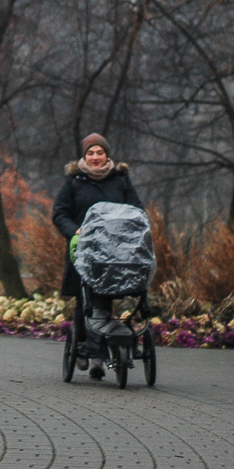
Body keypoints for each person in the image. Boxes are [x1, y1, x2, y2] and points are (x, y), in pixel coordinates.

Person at [51, 133, 142, 379]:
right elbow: (60, 214)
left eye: (99, 152)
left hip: (115, 252)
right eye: (90, 153)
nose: (95, 157)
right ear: (84, 155)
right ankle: (85, 349)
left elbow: (136, 210)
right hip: (84, 251)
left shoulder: (120, 181)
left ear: (106, 154)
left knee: (108, 298)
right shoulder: (74, 182)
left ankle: (106, 351)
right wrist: (74, 231)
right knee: (85, 302)